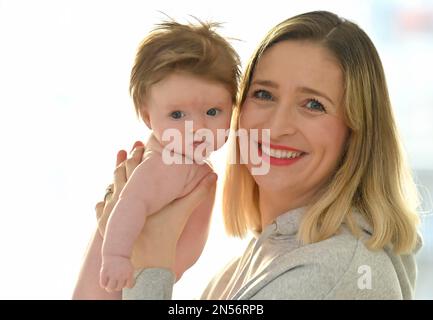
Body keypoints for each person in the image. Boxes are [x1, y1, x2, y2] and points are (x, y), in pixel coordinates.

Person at [85, 10, 423, 300]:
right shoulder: (257, 259)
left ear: (356, 133)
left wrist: (149, 264)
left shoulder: (333, 271)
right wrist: (119, 223)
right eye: (263, 94)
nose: (277, 127)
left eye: (313, 104)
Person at [72, 20, 240, 298]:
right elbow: (130, 204)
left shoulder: (182, 155)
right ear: (148, 117)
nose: (197, 126)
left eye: (213, 112)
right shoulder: (165, 163)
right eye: (177, 115)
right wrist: (116, 257)